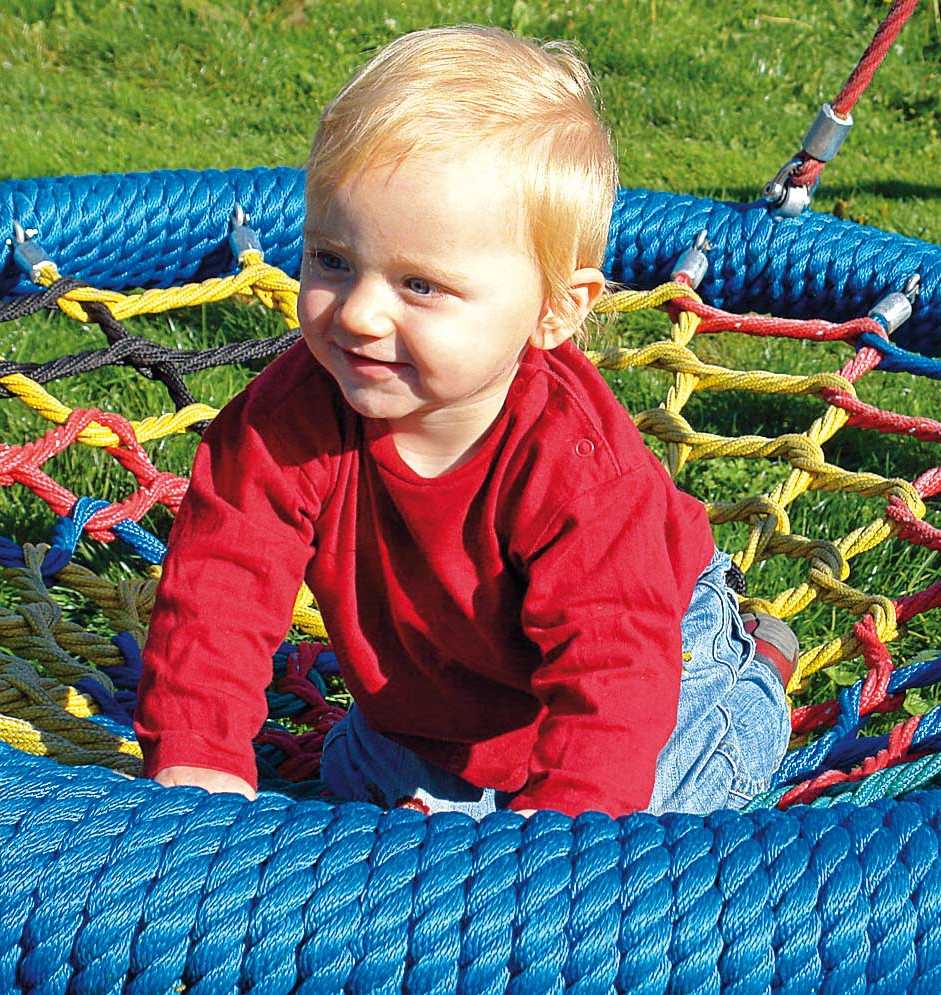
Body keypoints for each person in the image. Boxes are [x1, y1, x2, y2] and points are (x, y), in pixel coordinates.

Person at [132, 25, 796, 818]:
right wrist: (200, 754)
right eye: (332, 260)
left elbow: (610, 684)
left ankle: (757, 668)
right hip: (436, 692)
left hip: (658, 656)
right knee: (355, 783)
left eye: (420, 285)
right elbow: (219, 586)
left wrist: (555, 843)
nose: (361, 313)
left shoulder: (578, 471)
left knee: (666, 808)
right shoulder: (287, 422)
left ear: (554, 310)